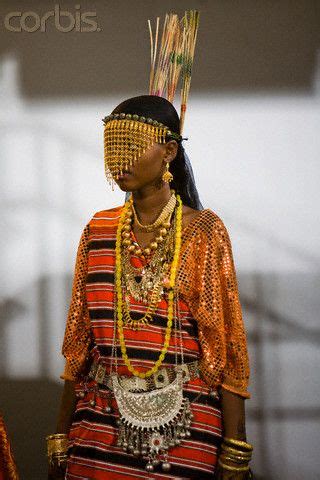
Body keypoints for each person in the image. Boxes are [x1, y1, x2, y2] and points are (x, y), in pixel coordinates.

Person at [47, 94, 253, 480]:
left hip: (186, 425)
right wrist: (60, 436)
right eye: (114, 147)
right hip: (98, 424)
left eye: (132, 146)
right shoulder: (98, 229)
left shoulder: (202, 232)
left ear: (169, 151)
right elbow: (79, 343)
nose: (119, 160)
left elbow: (225, 348)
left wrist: (235, 451)